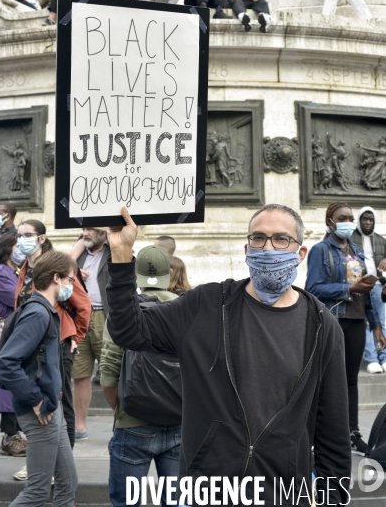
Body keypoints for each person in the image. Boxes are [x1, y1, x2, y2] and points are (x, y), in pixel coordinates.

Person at [105, 203, 352, 505]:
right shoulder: (207, 304)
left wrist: (332, 499)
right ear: (247, 249)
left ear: (300, 253)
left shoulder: (322, 327)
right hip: (206, 492)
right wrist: (120, 254)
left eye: (281, 239)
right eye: (258, 238)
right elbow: (130, 330)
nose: (268, 247)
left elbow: (333, 433)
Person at [0, 250, 78, 507]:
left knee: (67, 483)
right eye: (71, 280)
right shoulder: (38, 313)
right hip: (41, 412)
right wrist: (35, 399)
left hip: (52, 407)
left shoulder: (44, 310)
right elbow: (6, 363)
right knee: (37, 491)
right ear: (56, 278)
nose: (72, 286)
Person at [100, 244, 179, 507]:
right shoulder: (189, 310)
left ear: (135, 273)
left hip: (133, 423)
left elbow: (109, 376)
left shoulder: (122, 315)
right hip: (181, 423)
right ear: (170, 273)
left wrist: (121, 410)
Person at [306, 201, 386, 456]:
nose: (348, 222)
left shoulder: (358, 252)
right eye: (343, 218)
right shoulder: (320, 250)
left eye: (351, 218)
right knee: (330, 379)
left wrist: (376, 327)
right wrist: (348, 289)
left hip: (356, 320)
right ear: (330, 221)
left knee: (351, 380)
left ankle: (352, 434)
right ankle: (325, 433)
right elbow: (313, 289)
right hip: (333, 320)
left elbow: (366, 293)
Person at [14, 221, 91, 450]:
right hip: (31, 345)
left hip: (57, 344)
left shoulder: (59, 265)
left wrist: (75, 338)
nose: (21, 240)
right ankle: (43, 456)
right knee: (36, 401)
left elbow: (84, 306)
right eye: (19, 236)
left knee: (62, 399)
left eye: (28, 235)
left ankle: (63, 460)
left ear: (42, 238)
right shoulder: (26, 268)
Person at [0, 233, 26, 457]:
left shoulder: (15, 271)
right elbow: (18, 299)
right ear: (8, 250)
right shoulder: (1, 273)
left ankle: (16, 433)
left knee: (16, 382)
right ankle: (9, 436)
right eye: (17, 246)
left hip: (15, 331)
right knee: (6, 384)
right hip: (5, 333)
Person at [69, 228, 110, 441]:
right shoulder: (80, 252)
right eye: (83, 229)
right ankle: (80, 426)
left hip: (106, 317)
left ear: (104, 232)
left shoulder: (113, 251)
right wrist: (75, 262)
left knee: (111, 373)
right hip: (81, 317)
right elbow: (63, 263)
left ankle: (120, 423)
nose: (85, 232)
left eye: (90, 229)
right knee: (80, 374)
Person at [351, 206, 386, 373]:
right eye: (364, 219)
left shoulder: (381, 240)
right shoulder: (350, 239)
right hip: (360, 286)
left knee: (382, 322)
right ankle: (371, 359)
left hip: (379, 285)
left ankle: (384, 358)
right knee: (366, 322)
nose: (367, 222)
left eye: (370, 219)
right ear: (359, 220)